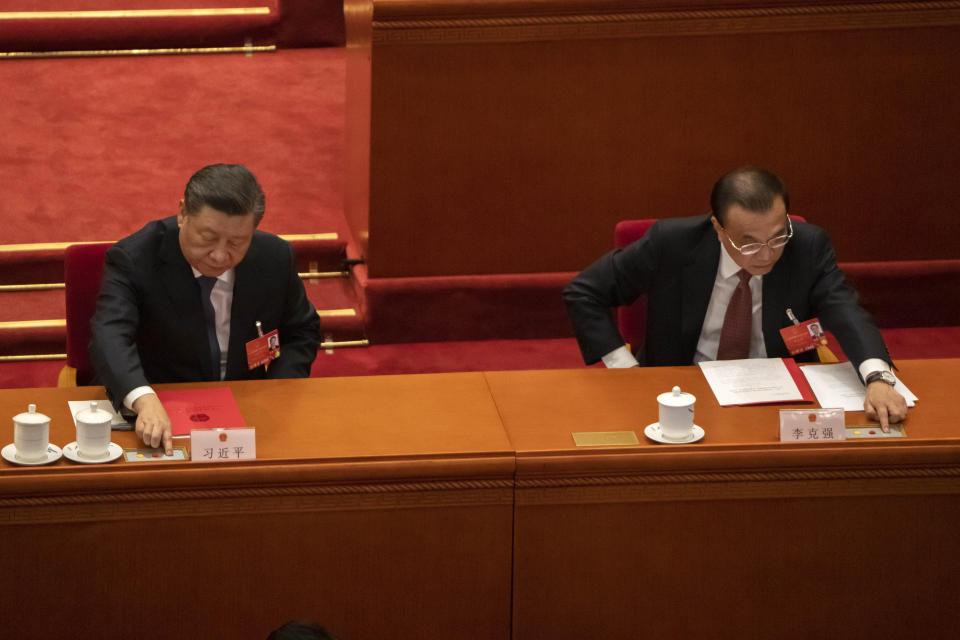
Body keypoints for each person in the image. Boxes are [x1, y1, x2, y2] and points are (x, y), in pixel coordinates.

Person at [563, 167, 907, 429]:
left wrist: (878, 378)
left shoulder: (807, 246)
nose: (766, 254)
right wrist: (626, 371)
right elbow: (585, 291)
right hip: (680, 391)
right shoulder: (672, 244)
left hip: (778, 399)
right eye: (749, 242)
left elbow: (845, 309)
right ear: (718, 228)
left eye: (777, 236)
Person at [91, 164, 320, 453]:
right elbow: (109, 334)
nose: (220, 255)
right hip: (161, 409)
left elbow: (302, 331)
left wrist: (276, 391)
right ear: (183, 213)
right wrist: (144, 399)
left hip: (249, 413)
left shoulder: (275, 258)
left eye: (237, 242)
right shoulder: (134, 259)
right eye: (208, 238)